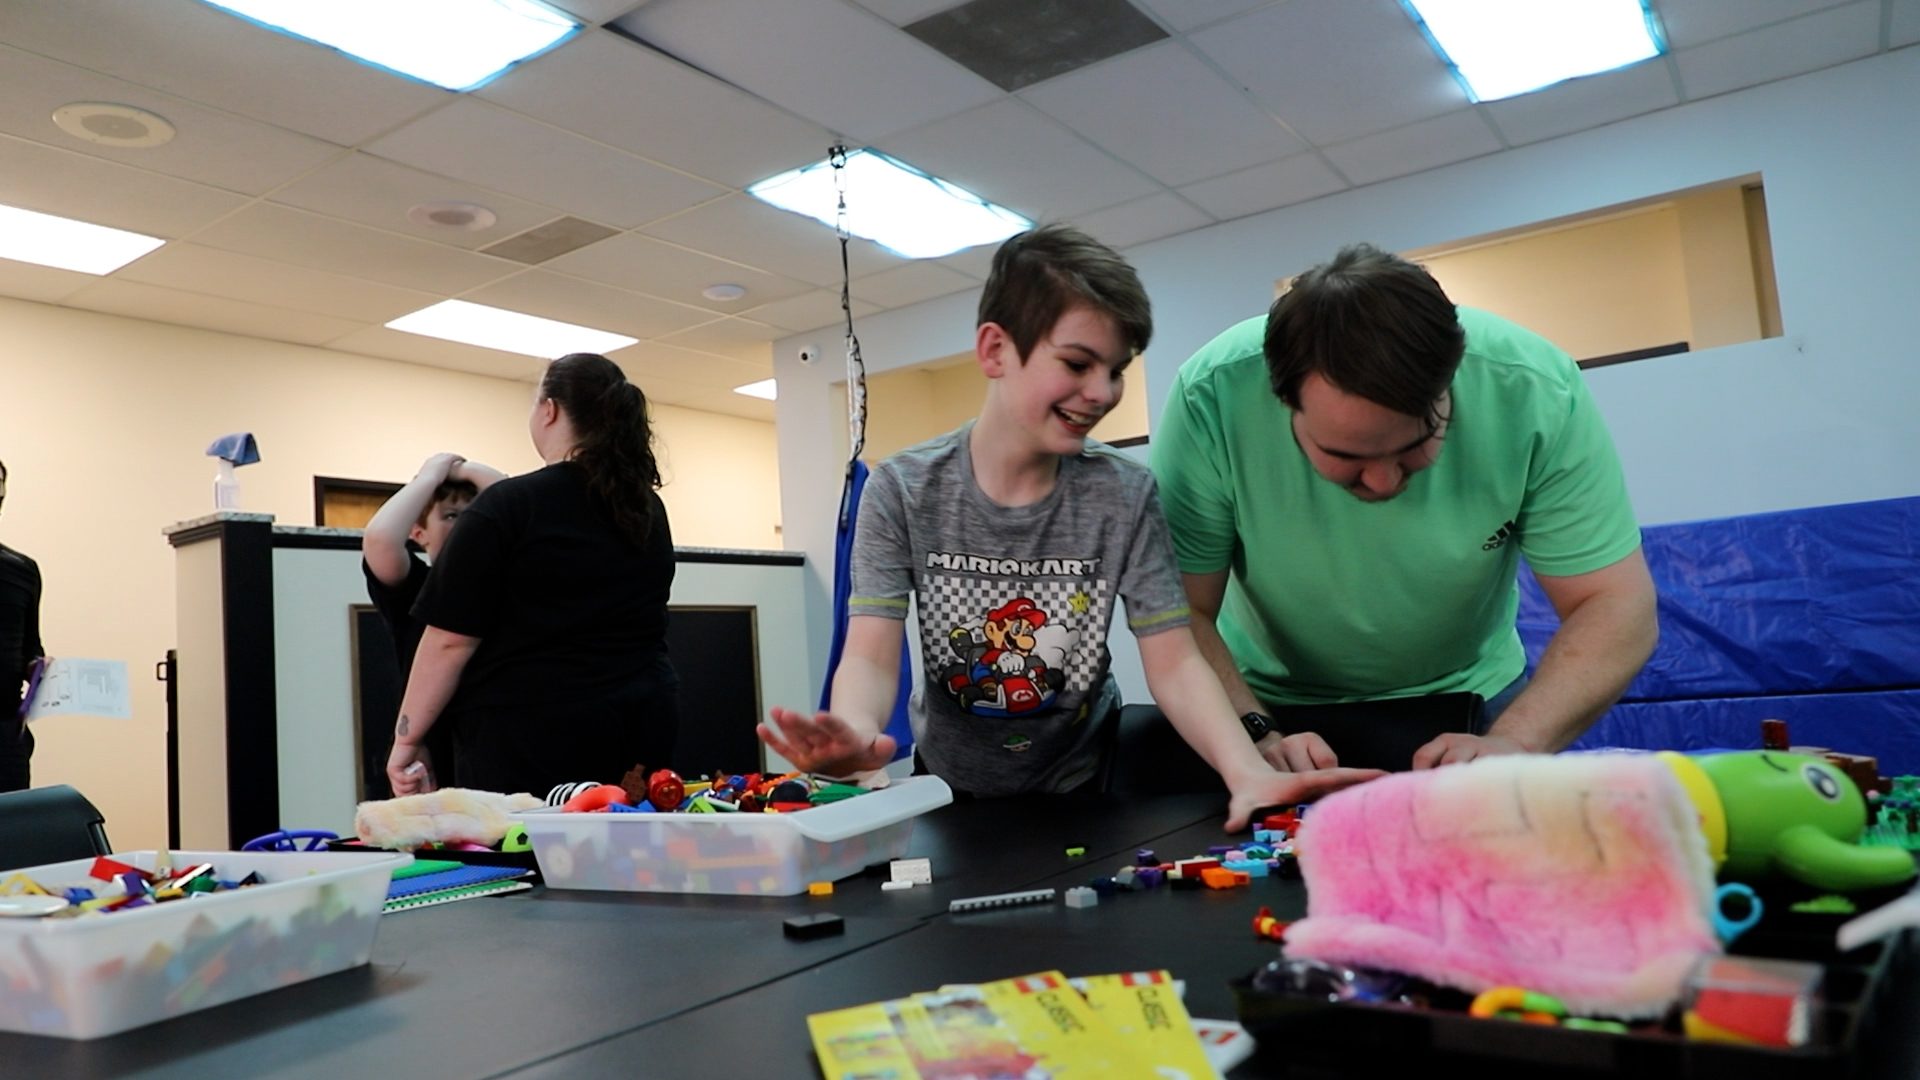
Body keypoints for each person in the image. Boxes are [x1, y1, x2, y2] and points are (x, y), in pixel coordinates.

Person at [758, 226, 1380, 831]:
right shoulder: (901, 489)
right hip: (948, 784)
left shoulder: (1124, 492)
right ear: (996, 350)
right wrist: (856, 735)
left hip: (1087, 783)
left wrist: (1245, 769)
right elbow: (869, 652)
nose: (1102, 392)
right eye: (1079, 363)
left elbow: (1175, 660)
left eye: (1117, 370)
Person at [1151, 243, 1659, 772]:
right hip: (1265, 707)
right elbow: (1178, 613)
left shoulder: (1535, 388)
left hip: (1478, 702)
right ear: (1282, 402)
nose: (1383, 481)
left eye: (1415, 446)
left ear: (1450, 382)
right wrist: (1251, 732)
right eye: (1345, 456)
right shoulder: (1212, 394)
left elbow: (1614, 603)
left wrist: (1515, 742)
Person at [386, 353, 679, 797]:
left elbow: (449, 640)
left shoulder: (510, 506)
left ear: (550, 409)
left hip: (531, 737)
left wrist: (407, 739)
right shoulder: (644, 509)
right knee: (629, 857)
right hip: (643, 724)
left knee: (531, 864)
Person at [360, 452, 503, 795]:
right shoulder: (416, 586)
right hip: (430, 745)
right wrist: (430, 476)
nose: (466, 526)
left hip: (495, 741)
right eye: (452, 516)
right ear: (419, 532)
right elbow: (380, 539)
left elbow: (520, 503)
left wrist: (470, 470)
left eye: (474, 517)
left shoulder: (503, 584)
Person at [0, 458, 43, 793]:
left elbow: (31, 648)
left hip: (5, 736)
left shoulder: (22, 570)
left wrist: (40, 668)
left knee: (10, 837)